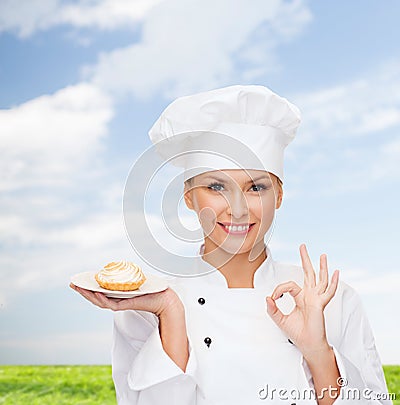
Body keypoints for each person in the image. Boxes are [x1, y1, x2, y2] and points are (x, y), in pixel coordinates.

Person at [71, 85, 392, 405]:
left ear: (278, 196)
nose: (237, 209)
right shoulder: (147, 308)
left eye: (256, 187)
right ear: (189, 197)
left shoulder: (332, 301)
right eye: (216, 186)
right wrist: (171, 313)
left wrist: (318, 352)